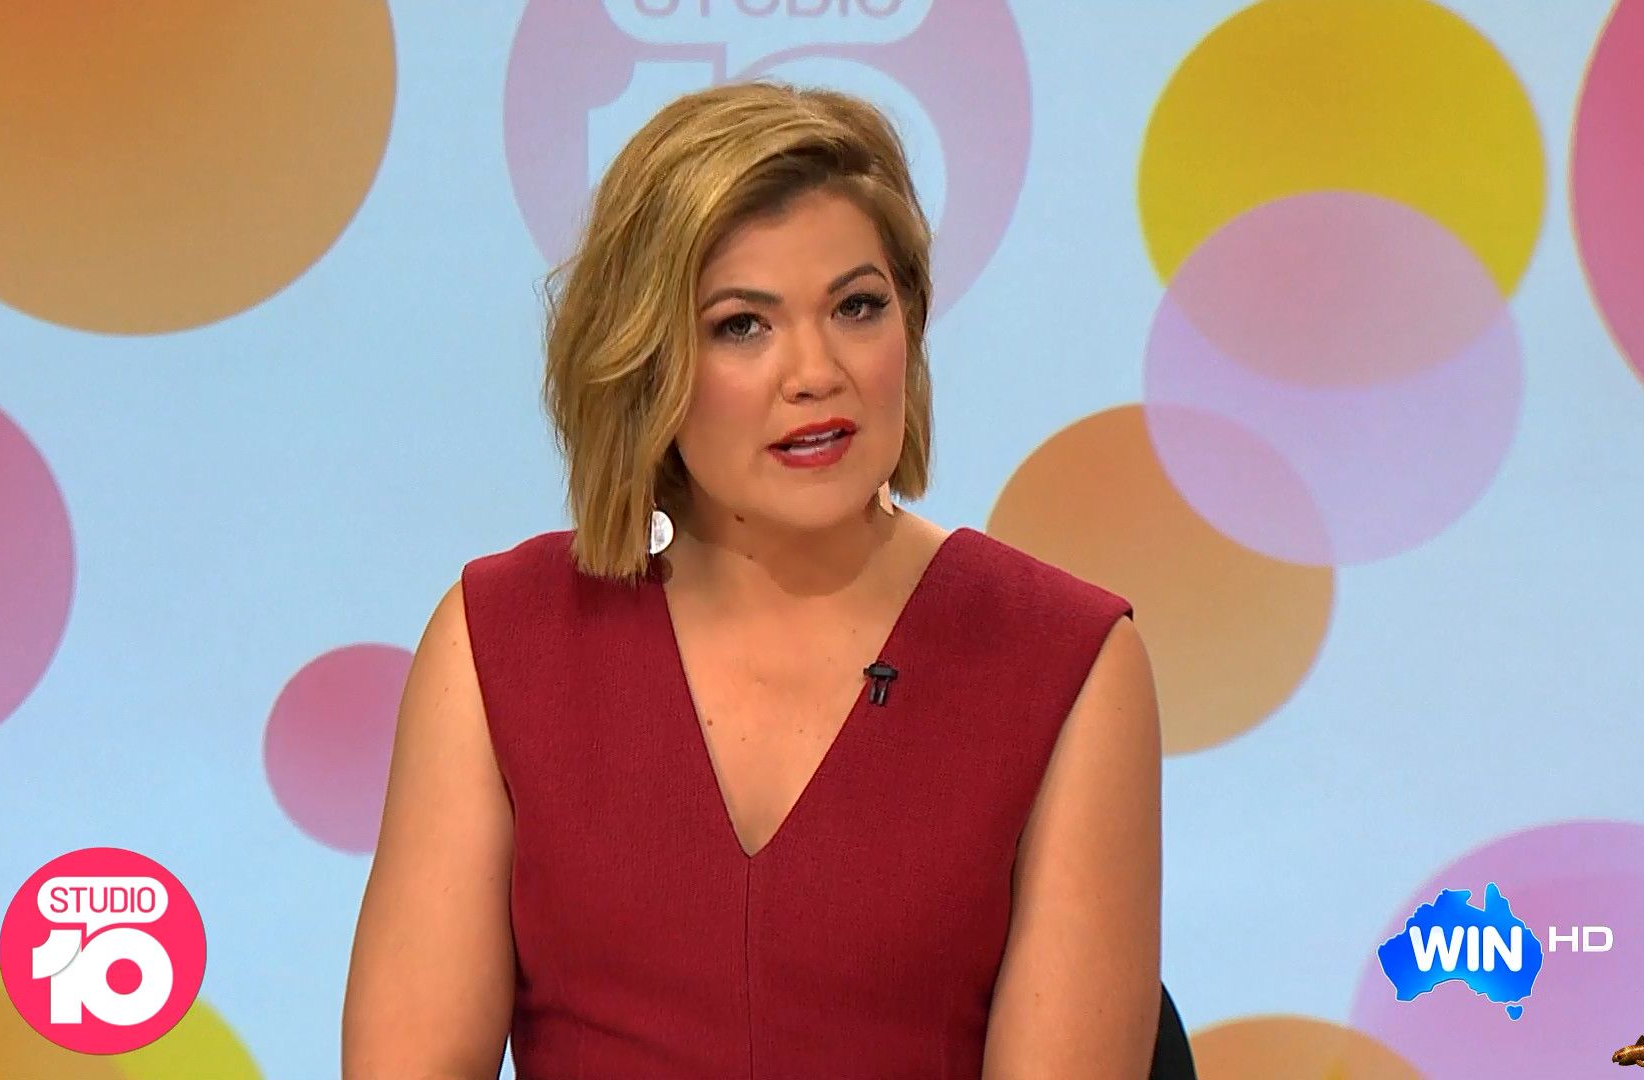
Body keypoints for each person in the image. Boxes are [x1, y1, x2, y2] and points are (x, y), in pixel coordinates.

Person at [343, 81, 1162, 1079]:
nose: (815, 372)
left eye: (857, 308)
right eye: (742, 325)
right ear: (645, 361)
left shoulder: (1066, 660)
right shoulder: (499, 641)